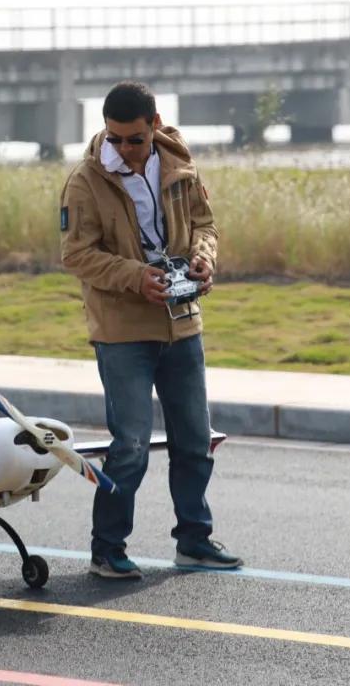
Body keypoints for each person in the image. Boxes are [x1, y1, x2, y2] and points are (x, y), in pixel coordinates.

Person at [59, 81, 243, 579]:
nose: (123, 149)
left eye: (134, 139)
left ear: (155, 125)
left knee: (194, 439)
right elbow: (76, 255)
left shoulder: (180, 163)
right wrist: (135, 277)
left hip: (182, 323)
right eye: (114, 138)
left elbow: (206, 224)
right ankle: (107, 550)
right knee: (131, 447)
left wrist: (203, 261)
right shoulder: (84, 182)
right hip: (122, 333)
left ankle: (195, 541)